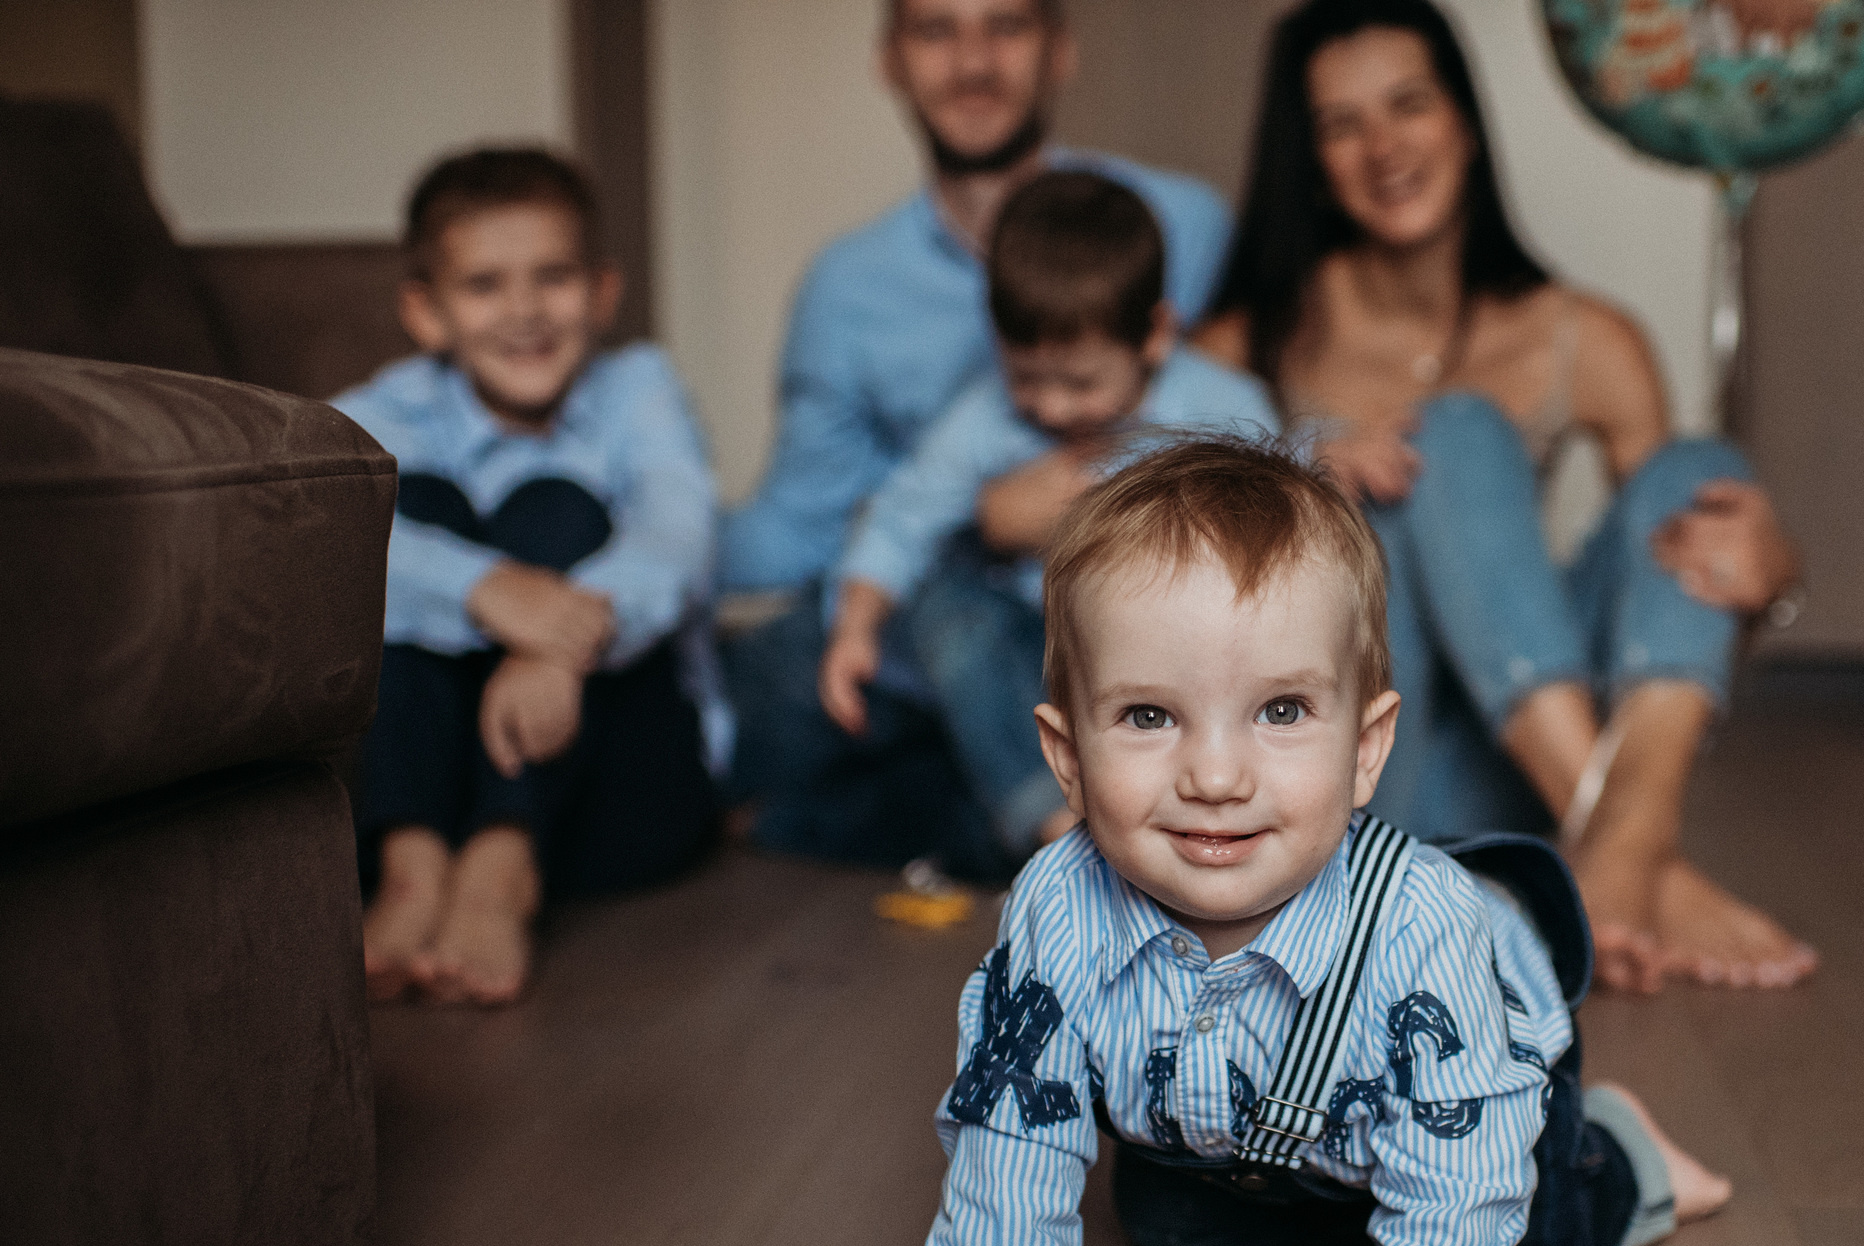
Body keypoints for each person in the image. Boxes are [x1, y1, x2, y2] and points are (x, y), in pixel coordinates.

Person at [888, 437, 1732, 1246]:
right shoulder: (1054, 906)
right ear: (1068, 755)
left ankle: (1616, 1152)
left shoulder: (1424, 929)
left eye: (1281, 711)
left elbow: (1452, 1200)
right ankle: (1317, 1192)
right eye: (1148, 717)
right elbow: (1007, 1161)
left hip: (1466, 1092)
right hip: (1237, 1110)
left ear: (1367, 744)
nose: (1217, 776)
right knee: (1165, 1230)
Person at [1194, 0, 1817, 995]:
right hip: (1369, 759)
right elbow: (1163, 579)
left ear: (1465, 123)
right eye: (1341, 124)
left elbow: (1661, 600)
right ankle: (1623, 847)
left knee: (1697, 467)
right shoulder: (1250, 343)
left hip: (1513, 758)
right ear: (1309, 157)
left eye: (1409, 105)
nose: (1383, 146)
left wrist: (1773, 573)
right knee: (1456, 429)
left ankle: (1619, 828)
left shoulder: (1587, 338)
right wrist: (1303, 471)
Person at [720, 0, 1234, 873]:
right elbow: (826, 514)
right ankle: (1006, 814)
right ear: (890, 60)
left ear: (1060, 50)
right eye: (935, 30)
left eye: (1006, 26)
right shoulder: (846, 288)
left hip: (1137, 616)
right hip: (943, 613)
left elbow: (1258, 437)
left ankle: (990, 815)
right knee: (756, 682)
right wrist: (649, 568)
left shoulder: (1190, 224)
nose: (973, 61)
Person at [339, 147, 721, 1007]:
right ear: (425, 311)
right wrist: (487, 592)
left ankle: (500, 864)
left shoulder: (639, 388)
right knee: (400, 504)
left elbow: (678, 534)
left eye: (553, 277)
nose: (523, 312)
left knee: (554, 503)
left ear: (603, 290)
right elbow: (311, 537)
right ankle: (413, 864)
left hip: (617, 796)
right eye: (482, 286)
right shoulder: (384, 410)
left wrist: (558, 644)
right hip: (432, 782)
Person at [819, 170, 1279, 861]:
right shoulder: (987, 416)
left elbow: (1286, 524)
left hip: (1177, 648)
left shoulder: (1219, 408)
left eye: (1082, 382)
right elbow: (903, 515)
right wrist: (855, 626)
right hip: (1030, 652)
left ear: (1156, 334)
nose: (1054, 408)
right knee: (948, 608)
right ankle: (1057, 828)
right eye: (1027, 377)